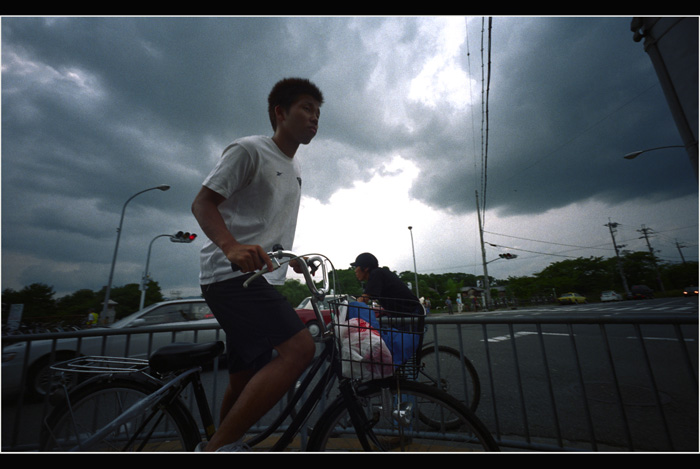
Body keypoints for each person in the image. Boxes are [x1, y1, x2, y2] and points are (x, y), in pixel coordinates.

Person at [191, 77, 323, 452]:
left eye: (318, 112)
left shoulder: (295, 169)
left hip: (257, 279)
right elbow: (202, 203)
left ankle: (221, 441)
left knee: (244, 376)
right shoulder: (249, 150)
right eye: (306, 108)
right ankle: (217, 449)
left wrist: (291, 258)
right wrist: (230, 245)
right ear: (279, 113)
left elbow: (265, 226)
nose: (314, 118)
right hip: (229, 275)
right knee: (300, 351)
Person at [351, 252, 422, 365]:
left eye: (356, 267)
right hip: (406, 314)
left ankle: (409, 383)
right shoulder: (379, 274)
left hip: (410, 315)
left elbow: (364, 299)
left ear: (365, 268)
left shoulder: (376, 274)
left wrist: (350, 307)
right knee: (399, 355)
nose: (355, 270)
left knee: (405, 360)